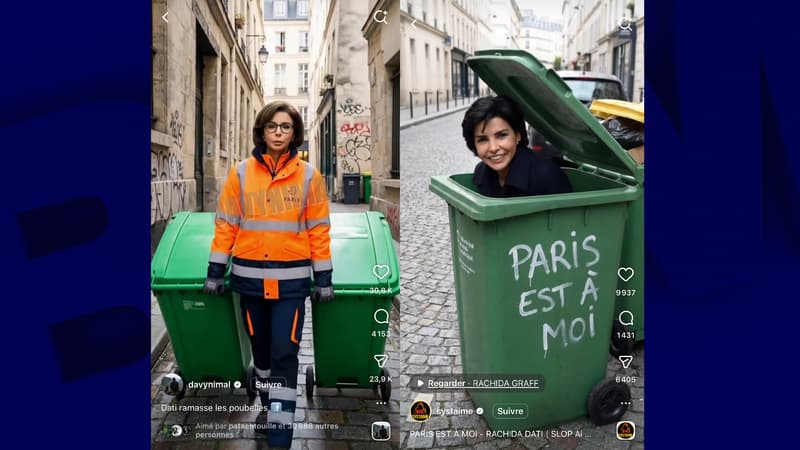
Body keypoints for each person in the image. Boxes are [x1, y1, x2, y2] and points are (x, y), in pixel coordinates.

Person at [202, 101, 334, 449]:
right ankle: (265, 407)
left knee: (284, 355)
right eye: (272, 126)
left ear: (295, 133)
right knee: (260, 356)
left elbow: (319, 229)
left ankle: (279, 435)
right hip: (249, 281)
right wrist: (215, 271)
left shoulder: (309, 176)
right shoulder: (241, 173)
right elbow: (226, 225)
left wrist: (323, 280)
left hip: (290, 284)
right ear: (261, 130)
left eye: (286, 127)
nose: (278, 133)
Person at [461, 95, 573, 197]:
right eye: (483, 140)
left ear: (518, 135)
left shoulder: (548, 176)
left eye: (502, 135)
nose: (493, 148)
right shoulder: (481, 172)